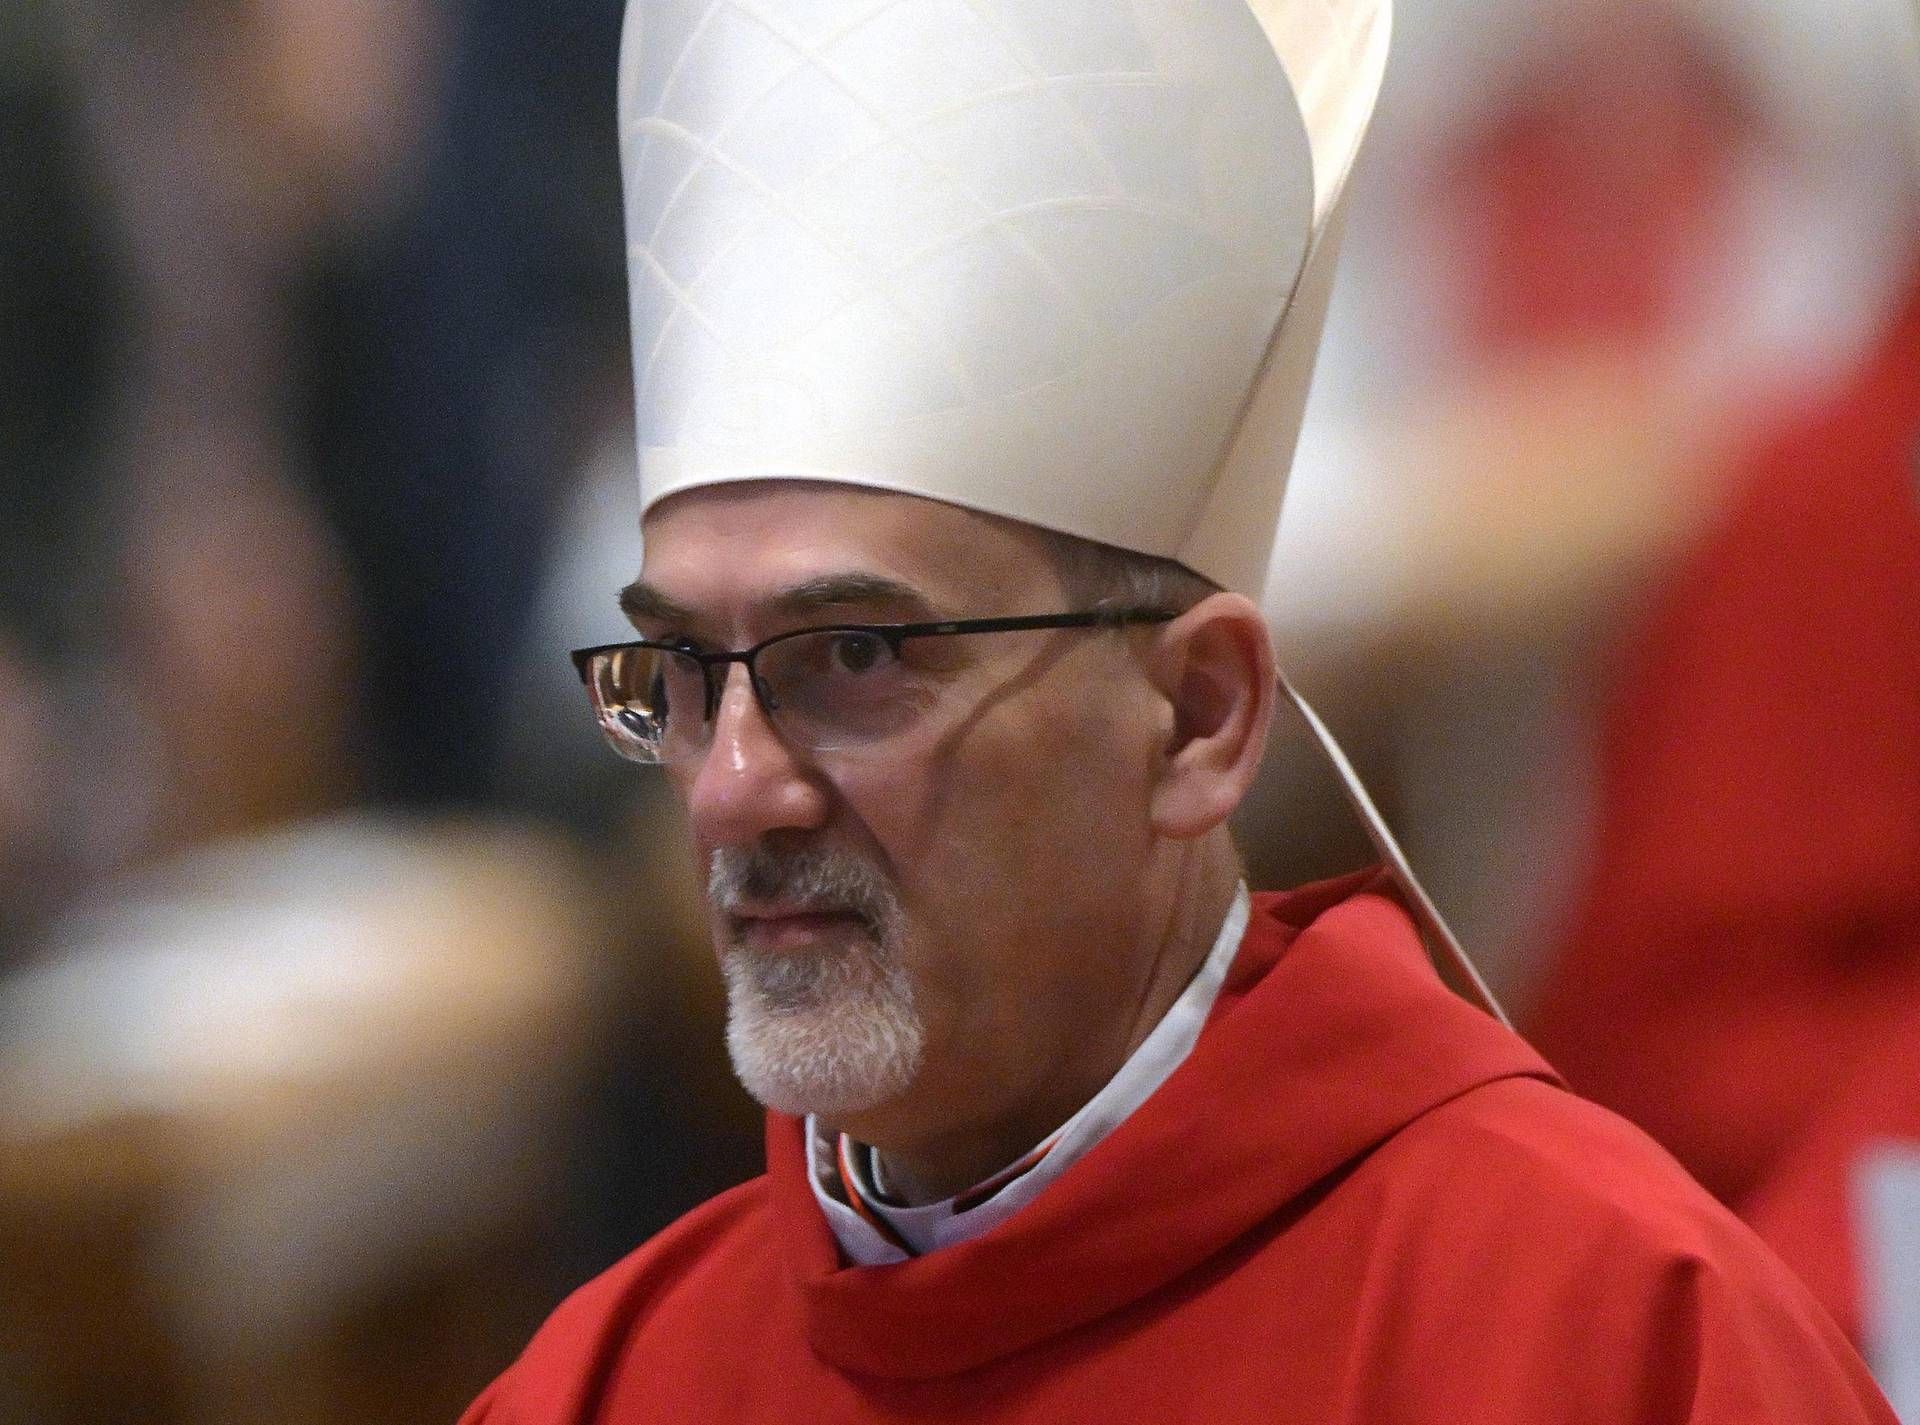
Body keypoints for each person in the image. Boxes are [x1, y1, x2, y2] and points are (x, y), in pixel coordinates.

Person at [461, 0, 1895, 1419]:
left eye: (851, 656)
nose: (730, 787)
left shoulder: (1610, 1336)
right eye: (683, 670)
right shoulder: (603, 1387)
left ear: (1200, 718)